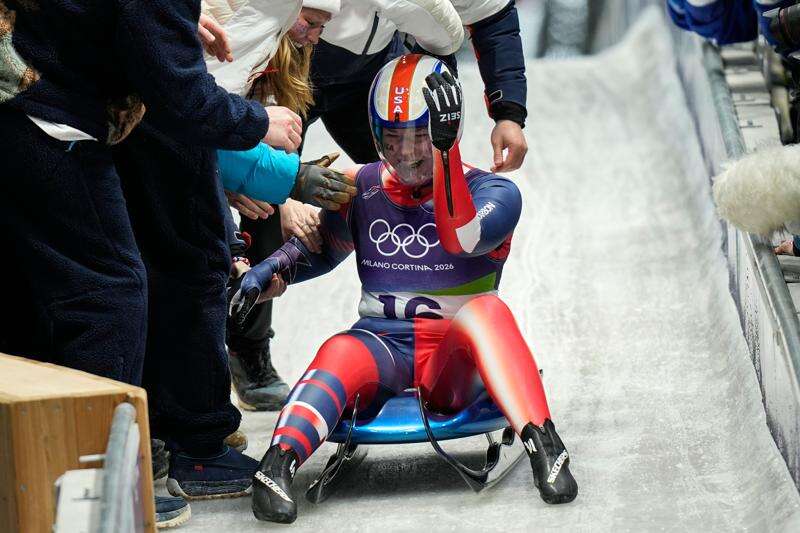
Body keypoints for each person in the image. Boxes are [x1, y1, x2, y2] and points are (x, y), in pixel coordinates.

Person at [230, 54, 579, 524]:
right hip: (382, 346)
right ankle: (277, 465)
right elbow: (320, 248)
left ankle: (545, 444)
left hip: (453, 361)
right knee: (340, 348)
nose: (408, 153)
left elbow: (462, 239)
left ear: (445, 132)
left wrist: (446, 153)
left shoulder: (496, 193)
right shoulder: (359, 185)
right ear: (376, 134)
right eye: (393, 138)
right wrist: (268, 272)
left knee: (486, 313)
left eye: (420, 136)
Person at [221, 0, 466, 412]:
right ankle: (247, 347)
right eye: (312, 22)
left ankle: (434, 330)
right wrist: (280, 192)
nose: (316, 32)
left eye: (321, 24)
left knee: (407, 185)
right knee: (262, 200)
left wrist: (505, 112)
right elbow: (205, 126)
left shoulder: (309, 34)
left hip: (365, 76)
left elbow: (491, 16)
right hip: (269, 74)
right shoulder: (261, 34)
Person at [307, 0, 528, 171]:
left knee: (414, 176)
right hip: (295, 64)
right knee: (285, 195)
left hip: (375, 71)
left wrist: (509, 115)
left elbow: (492, 18)